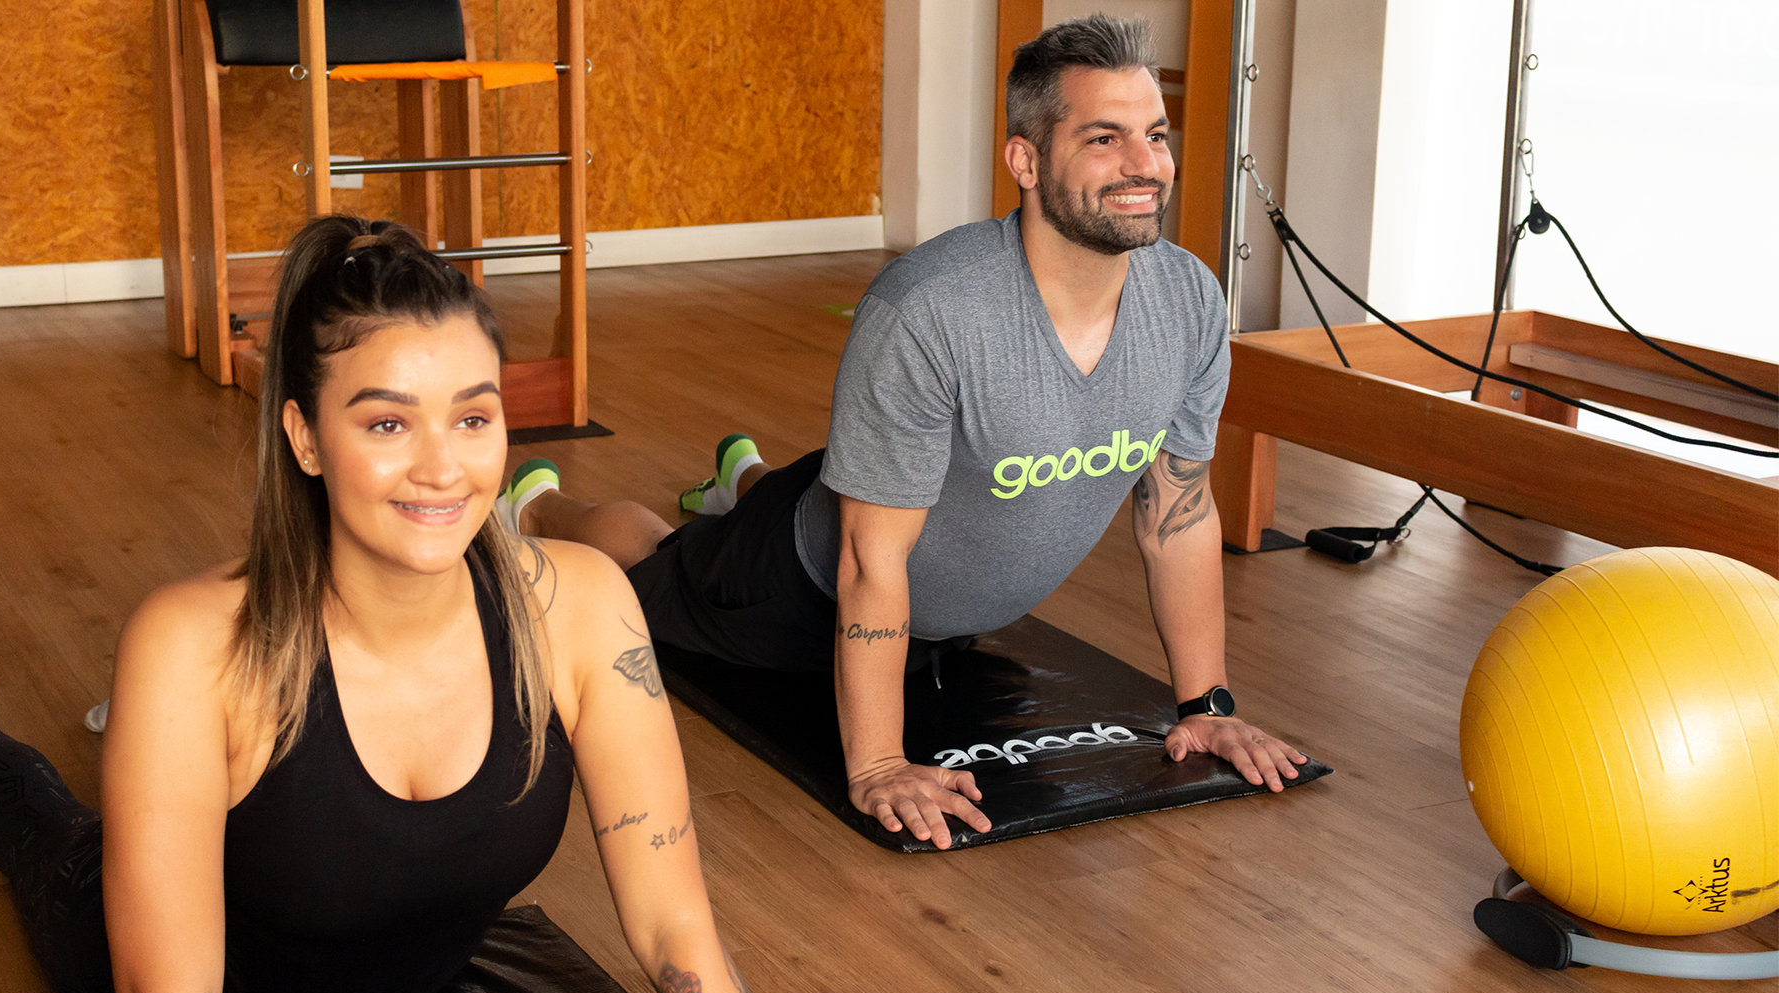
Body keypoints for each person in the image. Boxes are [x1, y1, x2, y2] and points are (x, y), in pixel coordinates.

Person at [0, 217, 778, 993]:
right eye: (388, 426)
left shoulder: (582, 607)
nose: (443, 469)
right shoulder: (193, 644)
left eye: (473, 417)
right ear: (304, 438)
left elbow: (676, 925)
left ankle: (161, 747)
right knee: (42, 832)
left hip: (410, 992)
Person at [508, 14, 1308, 852]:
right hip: (804, 584)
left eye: (1154, 134)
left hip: (920, 576)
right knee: (655, 563)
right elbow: (869, 559)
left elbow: (1177, 516)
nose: (1145, 164)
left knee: (850, 495)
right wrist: (880, 761)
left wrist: (1206, 709)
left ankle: (744, 478)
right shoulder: (932, 308)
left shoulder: (1187, 302)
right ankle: (540, 507)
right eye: (1105, 139)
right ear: (1025, 161)